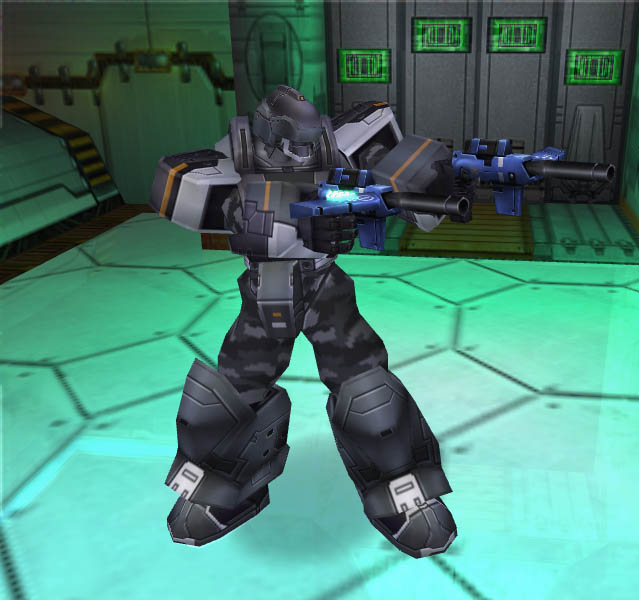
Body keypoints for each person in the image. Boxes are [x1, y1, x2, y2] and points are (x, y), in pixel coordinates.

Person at [150, 85, 471, 558]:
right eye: (291, 144)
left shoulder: (337, 146)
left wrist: (437, 180)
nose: (301, 153)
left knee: (367, 387)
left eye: (306, 143)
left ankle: (402, 491)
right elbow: (209, 201)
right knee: (229, 394)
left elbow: (400, 172)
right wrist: (287, 220)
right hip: (265, 288)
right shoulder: (234, 159)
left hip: (324, 288)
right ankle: (217, 489)